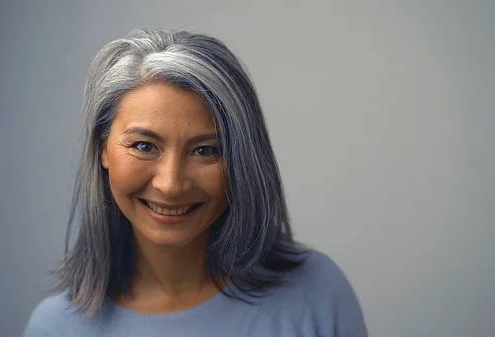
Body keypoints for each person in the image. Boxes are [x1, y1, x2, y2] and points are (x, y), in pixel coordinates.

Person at [23, 29, 368, 337]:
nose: (171, 184)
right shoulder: (56, 328)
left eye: (205, 150)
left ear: (242, 160)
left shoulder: (319, 294)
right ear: (103, 149)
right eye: (144, 146)